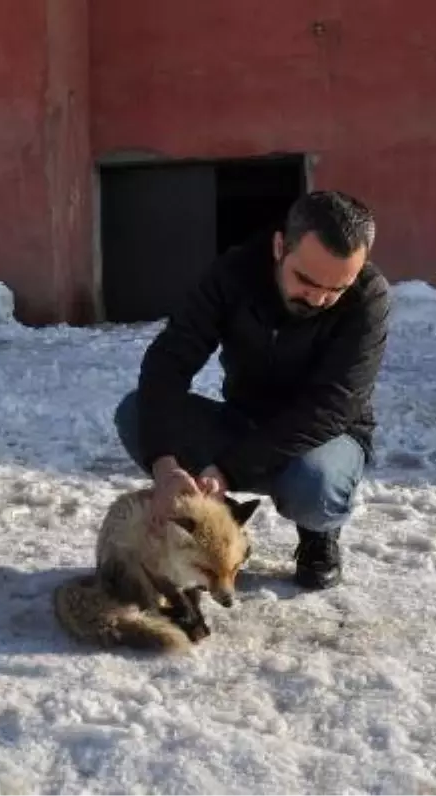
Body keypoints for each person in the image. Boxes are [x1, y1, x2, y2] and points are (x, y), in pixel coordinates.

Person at [113, 190, 390, 590]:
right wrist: (165, 465)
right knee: (136, 415)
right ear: (280, 246)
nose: (319, 299)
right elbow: (169, 362)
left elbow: (331, 407)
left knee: (315, 486)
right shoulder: (233, 274)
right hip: (244, 420)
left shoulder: (370, 296)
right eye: (306, 280)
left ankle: (318, 535)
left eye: (337, 289)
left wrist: (228, 469)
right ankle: (220, 523)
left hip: (326, 437)